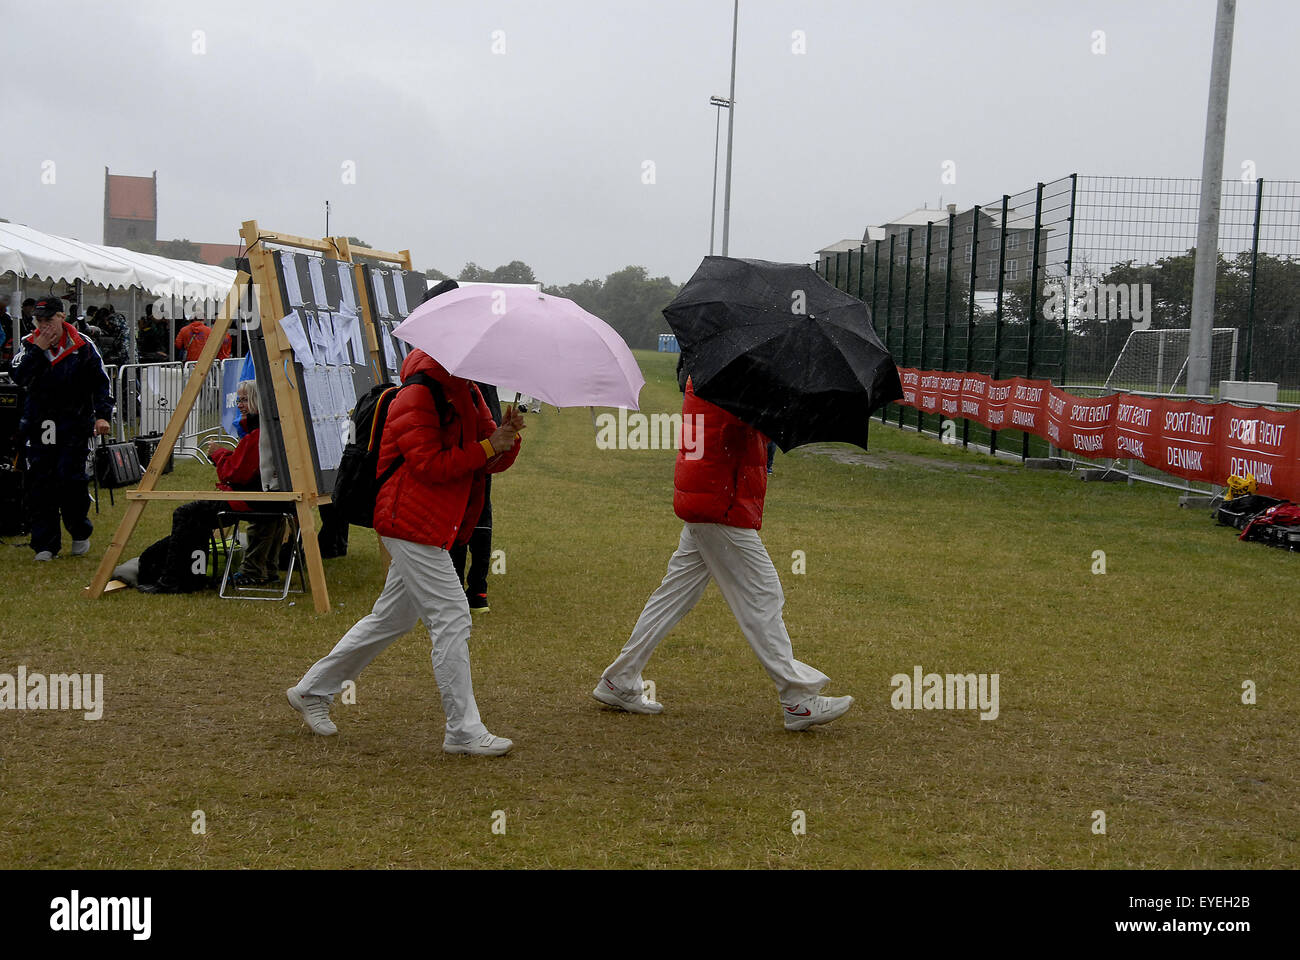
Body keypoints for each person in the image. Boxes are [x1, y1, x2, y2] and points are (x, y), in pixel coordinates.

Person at [287, 348, 525, 756]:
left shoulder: (467, 391)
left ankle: (313, 690)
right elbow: (428, 465)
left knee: (390, 619)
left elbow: (488, 465)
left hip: (434, 525)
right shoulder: (415, 395)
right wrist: (488, 446)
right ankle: (463, 730)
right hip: (409, 521)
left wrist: (507, 438)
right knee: (452, 615)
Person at [592, 375, 854, 732]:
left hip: (708, 498)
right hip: (721, 504)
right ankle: (798, 699)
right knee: (763, 596)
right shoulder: (730, 380)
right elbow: (744, 428)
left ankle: (619, 680)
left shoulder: (714, 373)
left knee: (672, 598)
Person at [136, 380, 273, 592]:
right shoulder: (263, 431)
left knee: (187, 514)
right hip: (258, 497)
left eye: (245, 400)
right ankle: (191, 576)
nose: (240, 404)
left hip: (250, 499)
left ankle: (175, 579)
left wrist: (218, 454)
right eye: (238, 400)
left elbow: (235, 474)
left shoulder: (257, 434)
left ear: (257, 401)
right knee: (195, 516)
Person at [7, 296, 113, 560]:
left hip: (74, 423)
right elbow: (19, 376)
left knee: (71, 480)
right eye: (39, 321)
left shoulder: (83, 345)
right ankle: (45, 544)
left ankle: (79, 531)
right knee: (40, 483)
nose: (44, 326)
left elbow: (101, 383)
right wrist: (37, 351)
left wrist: (102, 415)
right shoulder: (28, 345)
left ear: (61, 318)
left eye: (49, 320)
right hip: (38, 423)